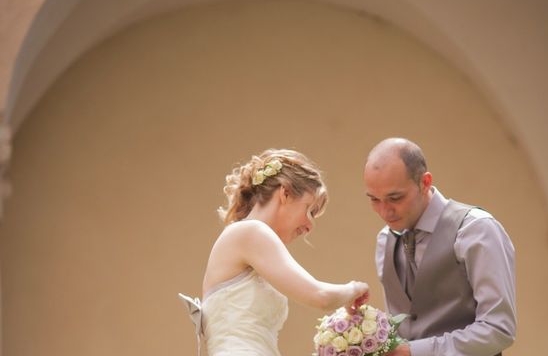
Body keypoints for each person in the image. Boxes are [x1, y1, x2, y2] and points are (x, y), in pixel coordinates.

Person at [179, 148, 369, 356]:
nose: (309, 226)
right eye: (309, 209)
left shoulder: (246, 237)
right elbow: (320, 295)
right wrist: (354, 289)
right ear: (285, 193)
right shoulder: (252, 232)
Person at [364, 138, 516, 356]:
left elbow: (499, 329)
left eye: (395, 198)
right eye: (374, 199)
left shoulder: (476, 230)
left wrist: (413, 352)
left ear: (424, 182)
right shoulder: (384, 240)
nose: (384, 212)